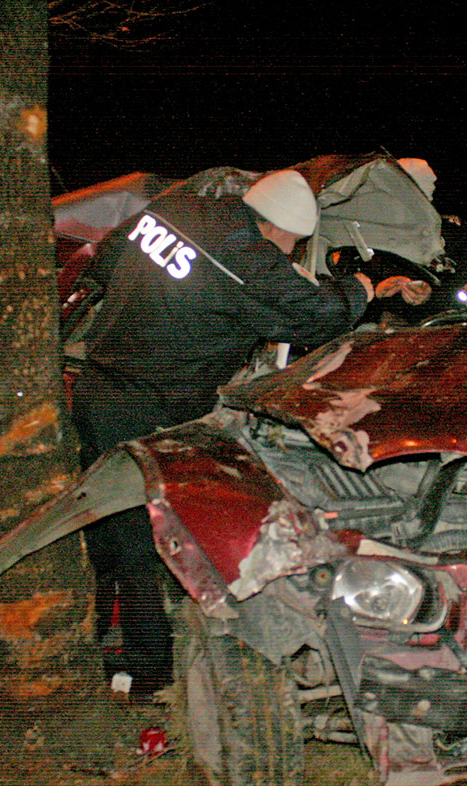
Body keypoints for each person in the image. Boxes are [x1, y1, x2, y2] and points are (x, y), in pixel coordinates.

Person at [71, 168, 426, 698]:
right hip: (149, 406)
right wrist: (362, 287)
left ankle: (91, 635)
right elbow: (315, 315)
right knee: (142, 537)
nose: (288, 255)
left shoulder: (180, 212)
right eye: (291, 246)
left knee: (99, 527)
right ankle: (148, 667)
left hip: (98, 386)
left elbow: (107, 261)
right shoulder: (248, 258)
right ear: (281, 229)